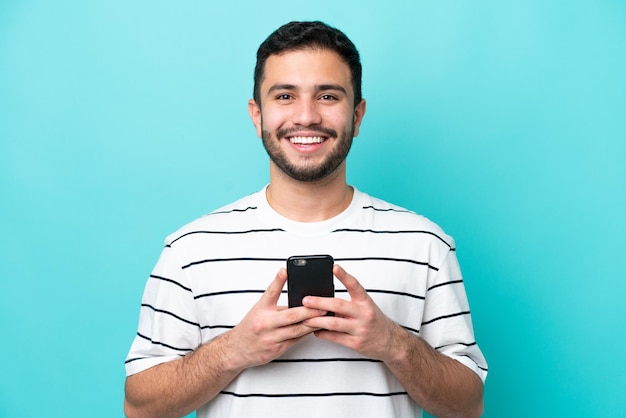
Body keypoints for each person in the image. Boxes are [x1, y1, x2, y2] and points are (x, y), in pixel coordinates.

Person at [123, 20, 488, 418]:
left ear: (358, 115)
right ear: (257, 115)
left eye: (328, 96)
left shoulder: (424, 244)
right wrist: (234, 350)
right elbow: (140, 408)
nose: (306, 116)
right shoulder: (191, 249)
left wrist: (392, 343)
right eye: (284, 96)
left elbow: (467, 407)